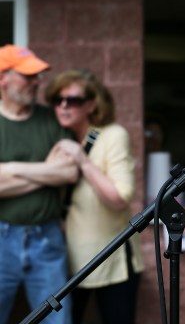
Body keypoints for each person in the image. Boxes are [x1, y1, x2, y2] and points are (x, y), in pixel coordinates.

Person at [45, 69, 144, 324]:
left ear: (91, 104)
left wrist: (83, 161)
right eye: (58, 99)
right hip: (65, 261)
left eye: (74, 100)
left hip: (111, 258)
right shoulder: (56, 137)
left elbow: (120, 198)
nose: (64, 107)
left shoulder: (112, 135)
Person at [0, 45, 79, 324]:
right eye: (27, 76)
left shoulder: (50, 119)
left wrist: (10, 169)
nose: (36, 82)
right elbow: (56, 172)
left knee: (56, 321)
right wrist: (47, 171)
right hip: (1, 237)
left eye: (37, 76)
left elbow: (69, 172)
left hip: (47, 237)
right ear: (3, 78)